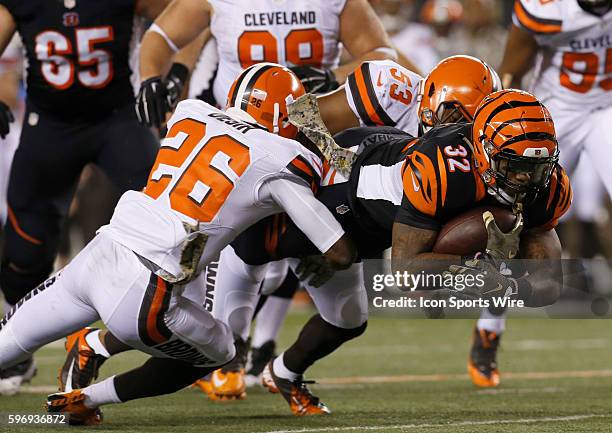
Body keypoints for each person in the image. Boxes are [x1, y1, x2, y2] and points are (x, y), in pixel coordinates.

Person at [0, 63, 355, 425]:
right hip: (142, 290)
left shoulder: (191, 112)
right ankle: (83, 400)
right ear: (287, 113)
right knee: (221, 351)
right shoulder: (284, 158)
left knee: (7, 341)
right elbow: (338, 250)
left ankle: (87, 360)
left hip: (97, 253)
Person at [0, 0, 206, 395]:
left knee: (174, 216)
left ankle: (183, 327)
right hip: (51, 126)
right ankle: (18, 345)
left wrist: (178, 72)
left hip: (118, 121)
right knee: (24, 250)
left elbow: (195, 18)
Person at [480, 0, 611, 387]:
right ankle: (489, 329)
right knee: (513, 219)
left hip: (607, 109)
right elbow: (511, 71)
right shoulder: (547, 9)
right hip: (556, 112)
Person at [135, 0, 402, 128]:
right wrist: (150, 79)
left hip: (315, 125)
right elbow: (161, 36)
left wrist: (334, 75)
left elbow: (382, 53)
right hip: (235, 124)